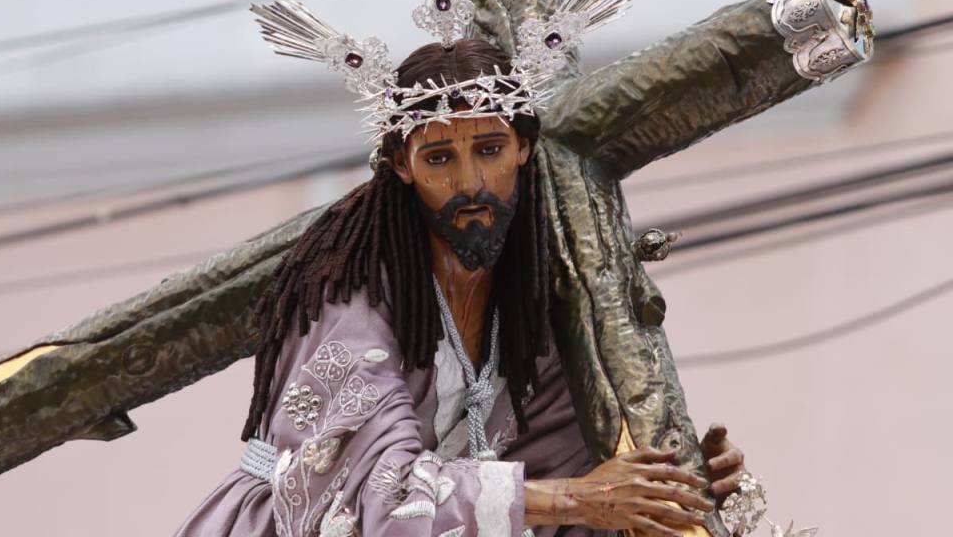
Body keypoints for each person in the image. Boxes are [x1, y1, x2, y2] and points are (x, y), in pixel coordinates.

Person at [175, 37, 747, 537]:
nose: (470, 182)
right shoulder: (352, 295)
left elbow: (570, 475)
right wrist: (584, 499)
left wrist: (677, 477)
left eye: (490, 150)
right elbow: (380, 495)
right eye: (440, 157)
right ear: (402, 164)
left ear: (523, 148)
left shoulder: (534, 306)